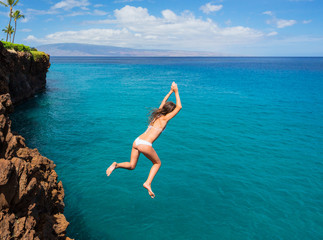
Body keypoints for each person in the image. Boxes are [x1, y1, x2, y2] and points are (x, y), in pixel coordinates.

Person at [106, 82, 182, 198]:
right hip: (145, 144)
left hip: (137, 141)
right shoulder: (165, 119)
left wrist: (170, 92)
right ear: (170, 112)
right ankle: (148, 183)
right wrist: (176, 91)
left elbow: (162, 103)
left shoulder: (157, 115)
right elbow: (179, 107)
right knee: (157, 163)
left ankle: (116, 165)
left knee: (132, 166)